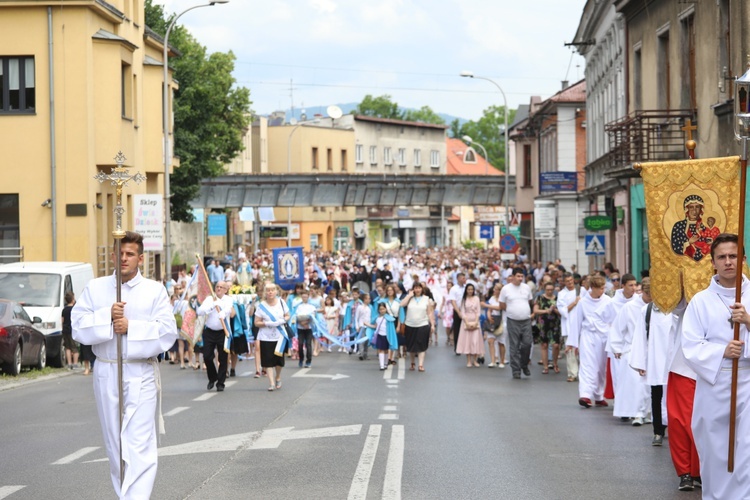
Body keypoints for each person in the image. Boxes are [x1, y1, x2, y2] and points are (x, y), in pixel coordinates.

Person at [71, 231, 177, 499]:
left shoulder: (154, 290)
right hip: (107, 369)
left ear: (140, 258)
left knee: (138, 441)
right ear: (112, 256)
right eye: (119, 253)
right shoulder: (96, 288)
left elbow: (167, 332)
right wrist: (106, 315)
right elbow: (77, 327)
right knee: (115, 444)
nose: (124, 258)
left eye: (130, 254)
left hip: (139, 369)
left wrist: (132, 327)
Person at [682, 233, 750, 495]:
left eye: (733, 256)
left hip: (747, 382)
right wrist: (722, 351)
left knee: (745, 451)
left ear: (743, 259)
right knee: (715, 451)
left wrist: (747, 321)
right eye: (722, 257)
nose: (728, 261)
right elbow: (690, 345)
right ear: (713, 262)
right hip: (715, 384)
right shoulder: (701, 301)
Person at [569, 275, 616, 408]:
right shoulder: (583, 302)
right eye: (600, 288)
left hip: (604, 336)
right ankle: (585, 394)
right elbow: (576, 322)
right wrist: (573, 343)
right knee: (587, 365)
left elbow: (613, 320)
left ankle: (598, 395)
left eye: (603, 288)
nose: (603, 291)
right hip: (588, 335)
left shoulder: (608, 300)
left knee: (601, 367)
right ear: (593, 288)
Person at [608, 276, 650, 425]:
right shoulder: (630, 307)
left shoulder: (657, 306)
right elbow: (618, 327)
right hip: (632, 348)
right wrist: (616, 347)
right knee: (634, 383)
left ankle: (646, 412)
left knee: (648, 386)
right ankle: (633, 412)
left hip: (651, 349)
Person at [197, 280, 235, 392]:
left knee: (223, 358)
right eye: (217, 286)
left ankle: (221, 382)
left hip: (223, 331)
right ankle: (212, 377)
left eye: (221, 287)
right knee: (207, 356)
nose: (218, 288)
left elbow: (228, 310)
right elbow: (200, 311)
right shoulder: (210, 299)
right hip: (210, 331)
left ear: (225, 289)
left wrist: (222, 312)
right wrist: (212, 307)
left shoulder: (228, 299)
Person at [254, 282, 291, 391]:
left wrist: (282, 320)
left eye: (272, 290)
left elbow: (288, 315)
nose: (270, 292)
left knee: (279, 361)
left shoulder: (281, 302)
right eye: (268, 290)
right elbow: (256, 322)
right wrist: (267, 323)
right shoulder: (261, 306)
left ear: (276, 291)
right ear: (265, 292)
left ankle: (278, 376)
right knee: (268, 360)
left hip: (280, 336)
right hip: (266, 336)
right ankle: (271, 383)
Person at [499, 268, 534, 379]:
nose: (520, 278)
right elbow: (502, 304)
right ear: (513, 276)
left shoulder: (526, 287)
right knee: (514, 345)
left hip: (526, 320)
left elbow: (529, 301)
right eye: (518, 276)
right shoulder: (506, 289)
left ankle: (524, 364)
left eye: (521, 276)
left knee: (527, 343)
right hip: (513, 320)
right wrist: (512, 311)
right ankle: (516, 369)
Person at [400, 282, 435, 372]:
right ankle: (412, 363)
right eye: (415, 288)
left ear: (422, 289)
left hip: (422, 324)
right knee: (411, 346)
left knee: (421, 345)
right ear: (413, 289)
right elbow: (402, 304)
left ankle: (420, 364)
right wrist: (409, 295)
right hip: (410, 324)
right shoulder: (410, 299)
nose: (417, 290)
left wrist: (432, 325)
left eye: (419, 288)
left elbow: (430, 313)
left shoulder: (427, 299)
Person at [533, 282, 561, 374]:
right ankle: (545, 366)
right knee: (544, 345)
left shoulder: (557, 299)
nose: (549, 291)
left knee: (556, 345)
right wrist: (546, 311)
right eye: (548, 289)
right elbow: (535, 310)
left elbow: (562, 312)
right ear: (544, 289)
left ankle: (555, 363)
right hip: (543, 324)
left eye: (551, 289)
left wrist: (555, 310)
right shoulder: (540, 298)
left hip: (555, 324)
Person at [558, 273, 581, 382]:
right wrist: (574, 303)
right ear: (564, 282)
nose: (570, 282)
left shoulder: (580, 290)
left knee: (581, 350)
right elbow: (563, 311)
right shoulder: (562, 294)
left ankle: (583, 373)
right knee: (570, 351)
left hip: (581, 325)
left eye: (571, 280)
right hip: (569, 325)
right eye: (567, 281)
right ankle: (572, 373)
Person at [456, 283, 484, 368]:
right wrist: (466, 322)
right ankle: (468, 360)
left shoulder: (476, 298)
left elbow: (479, 311)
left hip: (475, 320)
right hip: (466, 320)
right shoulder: (463, 299)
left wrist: (476, 321)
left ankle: (475, 360)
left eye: (472, 289)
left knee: (475, 341)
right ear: (466, 290)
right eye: (468, 289)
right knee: (467, 341)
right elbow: (462, 312)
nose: (470, 291)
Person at [481, 283, 506, 368]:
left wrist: (486, 305)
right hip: (492, 321)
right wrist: (488, 315)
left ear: (500, 291)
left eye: (496, 289)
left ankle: (502, 361)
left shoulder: (503, 299)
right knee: (490, 341)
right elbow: (490, 309)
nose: (494, 291)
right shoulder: (492, 298)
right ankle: (493, 361)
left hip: (501, 321)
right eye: (494, 289)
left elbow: (500, 307)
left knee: (501, 342)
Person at [294, 290, 316, 368]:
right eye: (303, 297)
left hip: (308, 328)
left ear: (308, 297)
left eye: (306, 297)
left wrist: (306, 323)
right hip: (300, 328)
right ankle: (301, 359)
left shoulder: (311, 307)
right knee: (300, 344)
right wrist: (301, 323)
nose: (304, 298)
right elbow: (296, 316)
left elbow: (313, 316)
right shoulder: (299, 307)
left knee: (308, 344)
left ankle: (308, 361)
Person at [449, 273, 467, 353]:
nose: (464, 279)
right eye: (463, 278)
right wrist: (458, 312)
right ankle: (457, 348)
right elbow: (453, 301)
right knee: (457, 329)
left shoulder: (466, 287)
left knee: (466, 328)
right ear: (459, 279)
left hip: (466, 310)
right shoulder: (454, 289)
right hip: (458, 310)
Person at [61, 291, 79, 370]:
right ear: (73, 300)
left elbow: (62, 320)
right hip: (73, 330)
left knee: (67, 347)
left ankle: (69, 364)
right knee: (75, 348)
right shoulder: (74, 309)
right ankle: (75, 364)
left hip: (65, 330)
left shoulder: (64, 310)